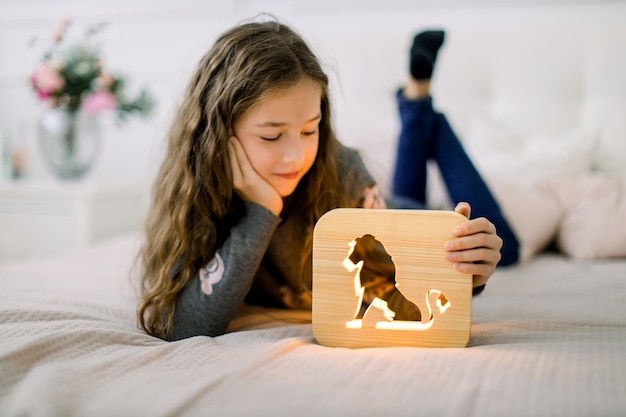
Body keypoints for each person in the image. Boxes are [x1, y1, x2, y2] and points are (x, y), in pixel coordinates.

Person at [137, 19, 511, 341]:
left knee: (506, 247)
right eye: (271, 136)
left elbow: (394, 281)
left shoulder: (339, 171)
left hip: (392, 216)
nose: (297, 156)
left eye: (309, 130)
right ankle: (417, 101)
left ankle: (419, 107)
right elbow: (181, 323)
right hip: (386, 206)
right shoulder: (194, 191)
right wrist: (260, 210)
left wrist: (466, 275)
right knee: (404, 194)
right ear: (218, 134)